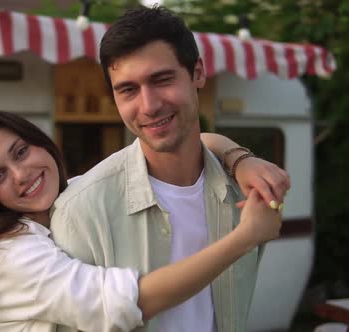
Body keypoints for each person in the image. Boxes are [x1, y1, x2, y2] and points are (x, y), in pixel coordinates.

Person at [49, 5, 289, 332]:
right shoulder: (80, 211)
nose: (149, 106)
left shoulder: (245, 192)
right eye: (128, 89)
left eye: (162, 80)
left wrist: (238, 157)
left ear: (198, 73)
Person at [0, 110, 284, 332]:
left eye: (20, 152)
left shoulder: (77, 195)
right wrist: (245, 237)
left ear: (40, 143)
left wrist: (239, 160)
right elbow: (128, 303)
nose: (21, 175)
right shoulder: (11, 254)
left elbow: (185, 146)